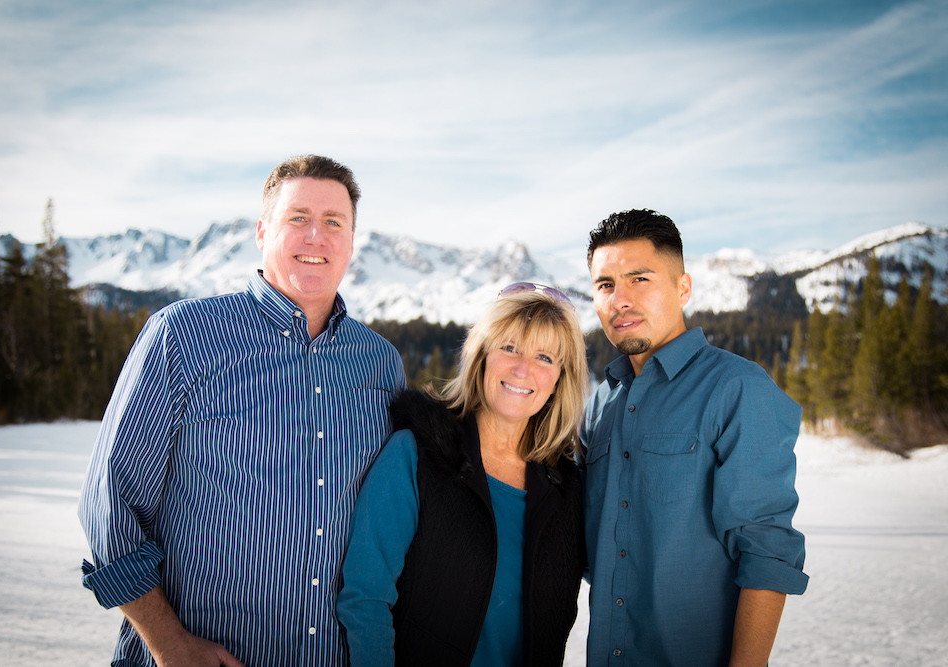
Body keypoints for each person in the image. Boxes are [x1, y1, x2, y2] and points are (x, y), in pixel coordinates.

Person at [78, 154, 406, 667]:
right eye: (297, 218)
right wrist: (170, 645)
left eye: (333, 222)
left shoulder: (380, 365)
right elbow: (108, 509)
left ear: (351, 241)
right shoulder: (184, 337)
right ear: (261, 231)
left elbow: (390, 528)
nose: (316, 237)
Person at [581, 209, 809, 666]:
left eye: (639, 279)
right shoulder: (599, 403)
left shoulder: (737, 388)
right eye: (606, 285)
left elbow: (765, 550)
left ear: (682, 288)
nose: (619, 299)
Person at [336, 283, 589, 666]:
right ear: (482, 354)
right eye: (509, 348)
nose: (523, 369)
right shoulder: (417, 454)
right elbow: (366, 596)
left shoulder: (566, 489)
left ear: (559, 378)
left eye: (544, 357)